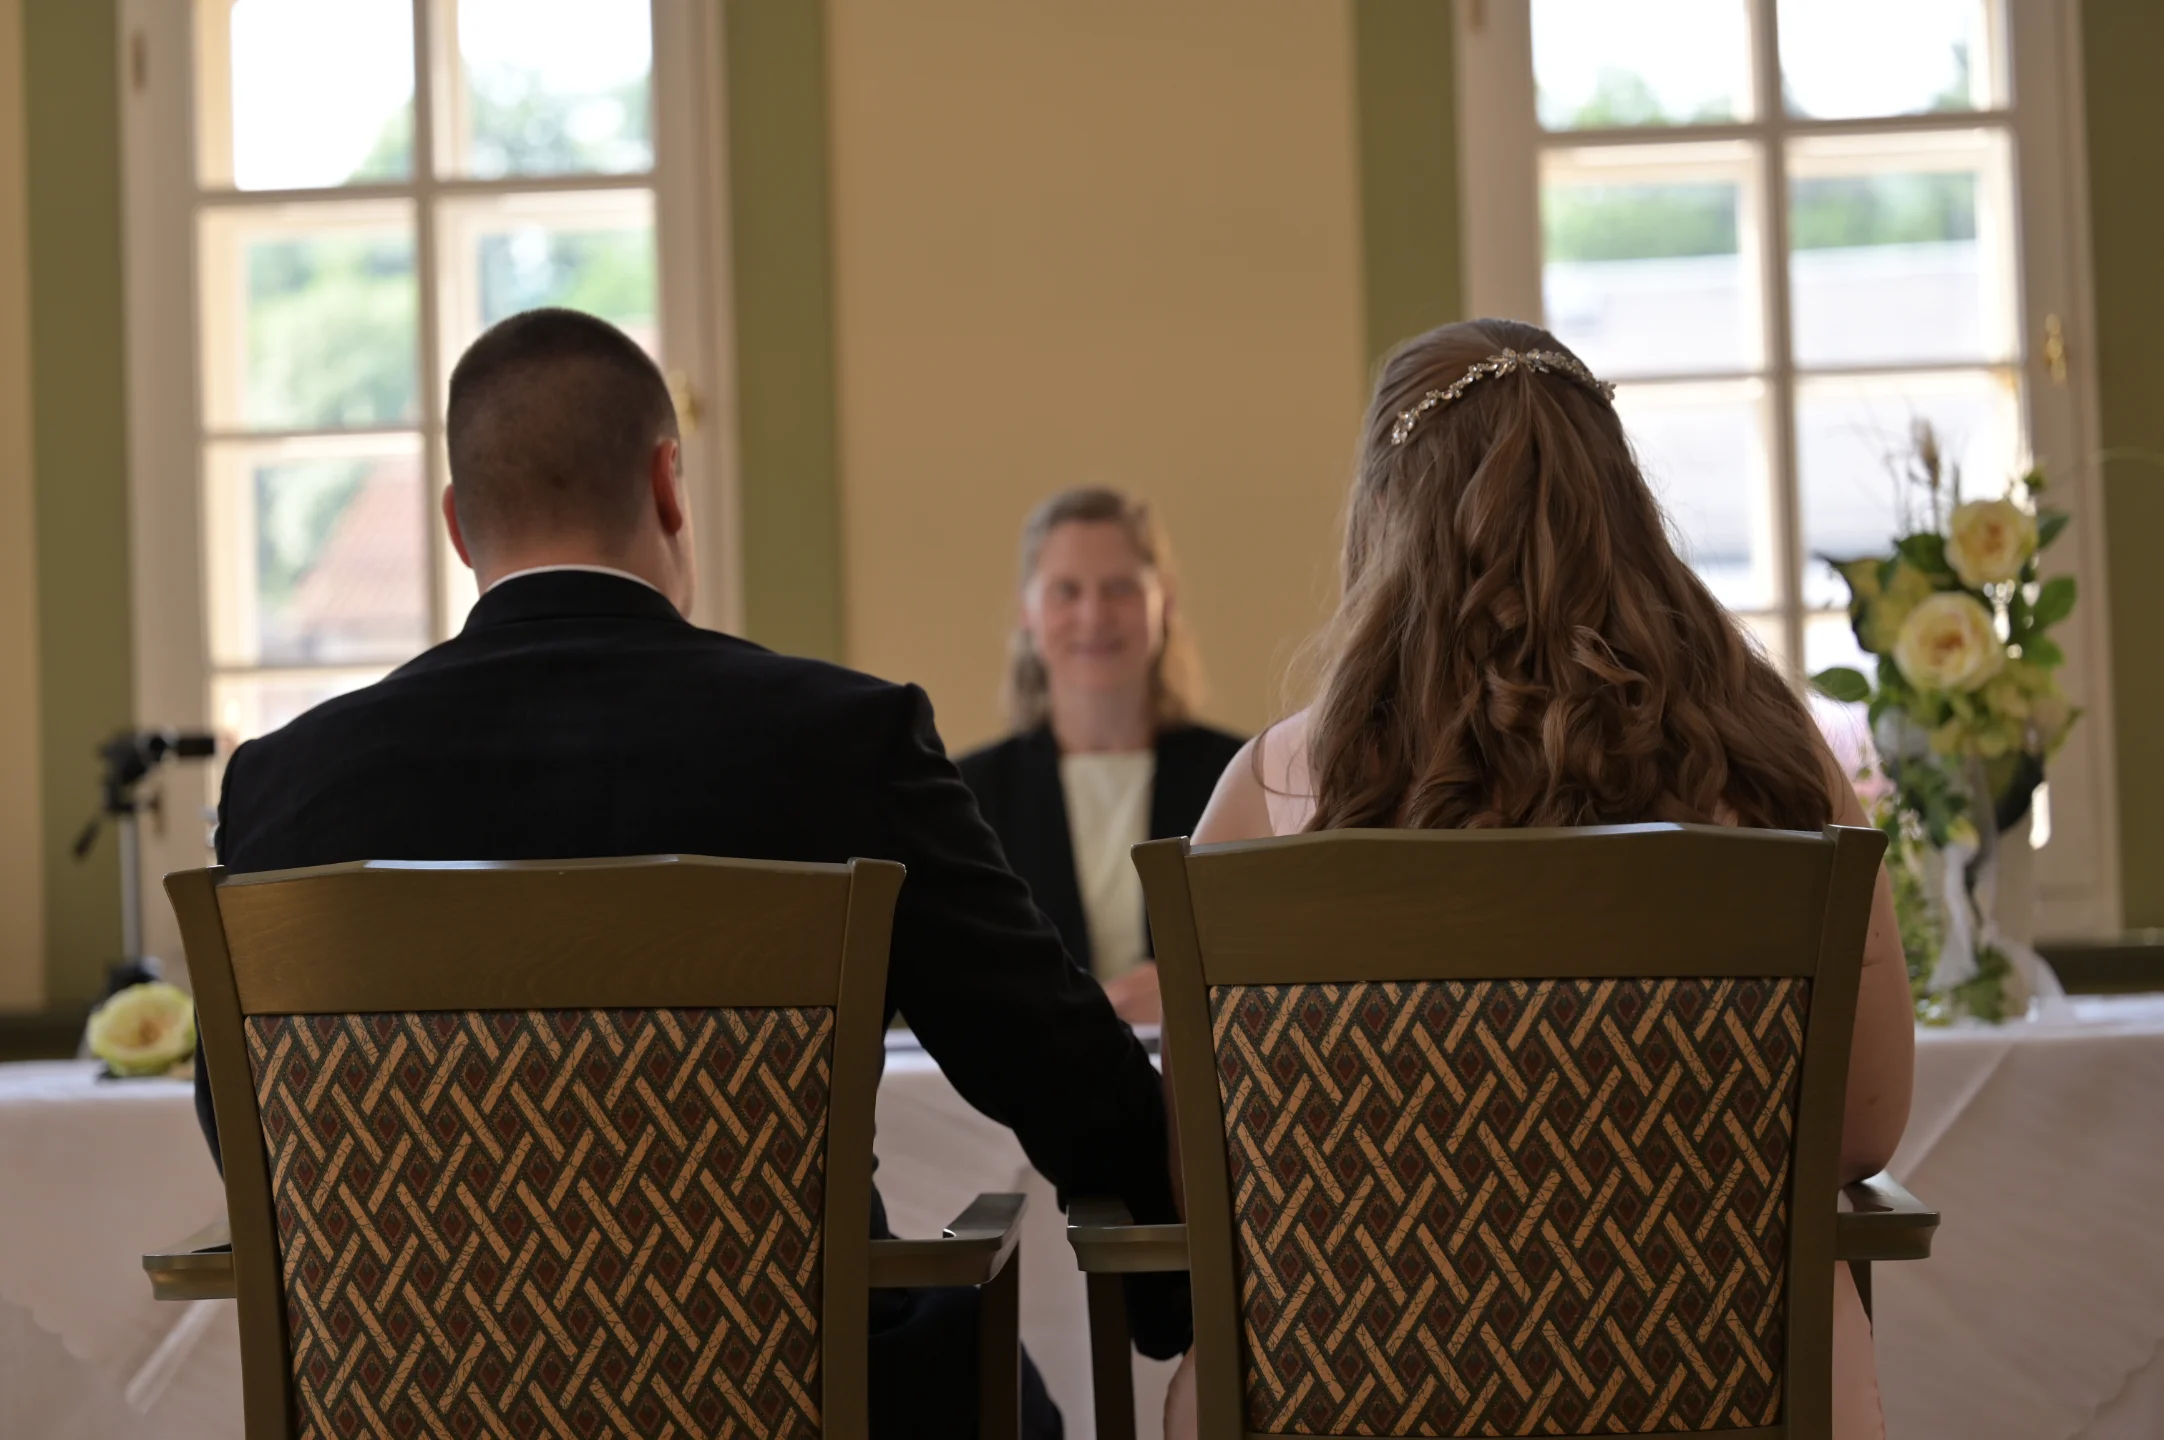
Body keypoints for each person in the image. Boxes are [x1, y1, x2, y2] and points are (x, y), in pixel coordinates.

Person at [195, 308, 1186, 1439]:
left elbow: (256, 1142)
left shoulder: (287, 788)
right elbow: (1057, 1063)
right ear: (670, 484)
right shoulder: (842, 742)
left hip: (426, 1405)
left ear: (459, 525)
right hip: (805, 1397)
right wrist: (1179, 1293)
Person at [1166, 319, 1914, 1440]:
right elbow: (1860, 1132)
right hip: (1727, 1391)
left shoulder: (1271, 790)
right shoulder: (1775, 767)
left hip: (1348, 1397)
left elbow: (1206, 1175)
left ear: (1385, 516)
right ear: (1622, 505)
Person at [959, 489, 1241, 1026]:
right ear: (1028, 613)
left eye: (1120, 588)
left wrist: (1193, 989)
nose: (1094, 615)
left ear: (1167, 603)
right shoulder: (970, 793)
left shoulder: (1239, 775)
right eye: (1066, 591)